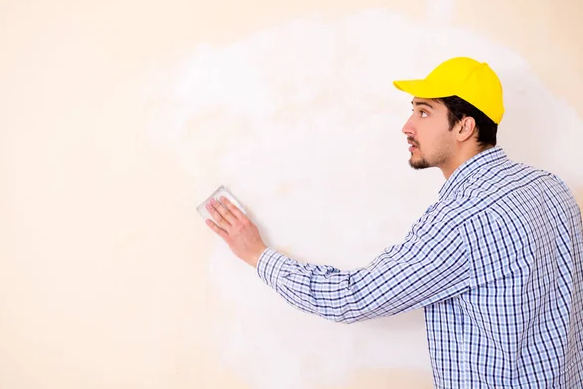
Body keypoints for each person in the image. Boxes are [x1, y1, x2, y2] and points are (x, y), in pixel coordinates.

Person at [204, 57, 583, 388]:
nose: (407, 125)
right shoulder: (551, 188)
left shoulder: (461, 220)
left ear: (465, 127)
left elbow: (351, 298)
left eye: (423, 111)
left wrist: (257, 254)